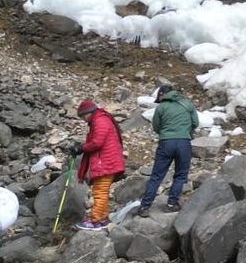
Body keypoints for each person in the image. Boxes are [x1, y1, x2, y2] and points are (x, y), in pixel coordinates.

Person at [138, 84, 199, 217]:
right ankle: (172, 204)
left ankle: (145, 207)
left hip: (166, 143)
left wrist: (166, 133)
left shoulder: (161, 107)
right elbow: (195, 122)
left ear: (161, 95)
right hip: (184, 142)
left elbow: (156, 127)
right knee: (180, 175)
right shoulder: (187, 104)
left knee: (156, 176)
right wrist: (185, 131)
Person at [69, 98, 125, 231]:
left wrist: (81, 148)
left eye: (83, 116)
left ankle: (95, 221)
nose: (83, 119)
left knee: (99, 192)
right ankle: (102, 219)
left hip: (105, 162)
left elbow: (97, 142)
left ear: (88, 112)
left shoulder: (99, 120)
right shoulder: (101, 119)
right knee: (102, 192)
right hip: (107, 161)